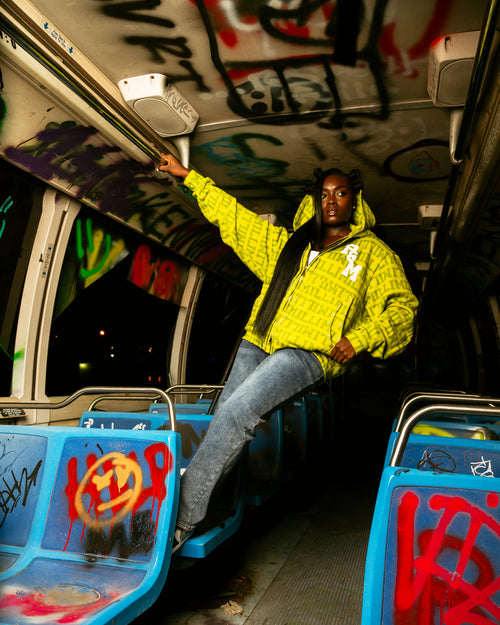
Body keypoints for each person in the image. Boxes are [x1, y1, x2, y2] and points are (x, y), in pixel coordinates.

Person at [158, 153, 418, 551]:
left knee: (237, 412)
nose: (331, 201)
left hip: (306, 354)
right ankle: (212, 506)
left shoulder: (374, 254)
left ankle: (177, 523)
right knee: (224, 417)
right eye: (323, 194)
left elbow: (403, 310)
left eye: (341, 193)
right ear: (313, 201)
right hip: (259, 340)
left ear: (355, 200)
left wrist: (361, 338)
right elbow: (236, 219)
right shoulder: (288, 245)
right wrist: (189, 177)